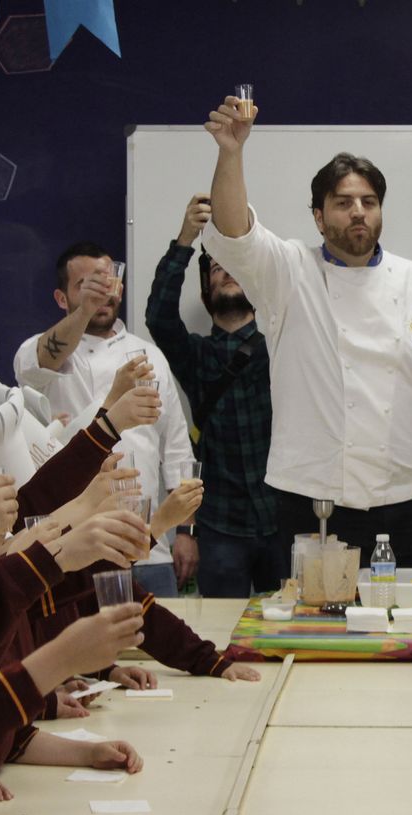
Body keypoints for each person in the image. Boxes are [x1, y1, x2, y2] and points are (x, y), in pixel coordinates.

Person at [199, 95, 412, 588]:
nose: (358, 213)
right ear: (320, 217)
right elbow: (234, 232)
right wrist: (231, 153)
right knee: (322, 641)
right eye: (343, 204)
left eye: (368, 202)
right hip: (317, 505)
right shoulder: (287, 273)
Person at [15, 242, 200, 596]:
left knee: (161, 645)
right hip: (69, 548)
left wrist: (186, 533)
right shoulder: (37, 350)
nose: (100, 292)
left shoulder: (151, 355)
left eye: (106, 282)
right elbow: (38, 365)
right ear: (61, 297)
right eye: (85, 284)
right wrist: (85, 309)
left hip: (149, 546)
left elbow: (176, 448)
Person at [145, 193, 283, 599]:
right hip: (220, 526)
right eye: (218, 269)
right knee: (224, 636)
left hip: (287, 517)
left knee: (299, 629)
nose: (226, 273)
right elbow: (158, 317)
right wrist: (187, 238)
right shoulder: (196, 356)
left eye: (235, 267)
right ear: (206, 287)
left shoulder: (284, 343)